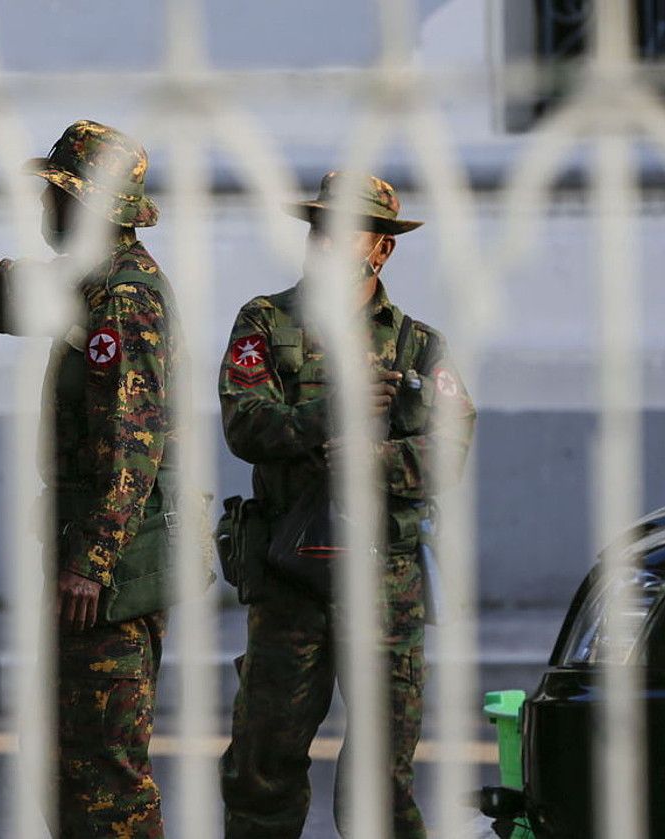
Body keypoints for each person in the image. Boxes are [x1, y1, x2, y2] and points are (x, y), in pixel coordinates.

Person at [0, 120, 174, 838]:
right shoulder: (90, 284)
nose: (45, 209)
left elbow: (134, 444)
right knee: (70, 768)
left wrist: (91, 563)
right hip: (91, 566)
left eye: (57, 195)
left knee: (107, 781)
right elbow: (1, 290)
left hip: (110, 580)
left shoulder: (125, 298)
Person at [216, 172, 477, 837]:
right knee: (262, 767)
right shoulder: (266, 322)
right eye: (318, 228)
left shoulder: (419, 344)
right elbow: (244, 421)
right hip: (290, 577)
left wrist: (372, 461)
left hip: (386, 587)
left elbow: (449, 446)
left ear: (381, 249)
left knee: (381, 784)